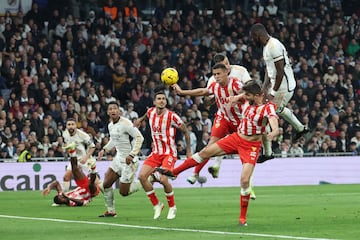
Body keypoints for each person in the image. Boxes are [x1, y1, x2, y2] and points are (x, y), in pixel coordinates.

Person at [157, 80, 279, 226]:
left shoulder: (267, 108)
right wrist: (232, 99)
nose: (244, 96)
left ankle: (242, 218)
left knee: (245, 180)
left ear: (258, 95)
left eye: (247, 94)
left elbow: (273, 122)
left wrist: (274, 132)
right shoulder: (247, 99)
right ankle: (175, 172)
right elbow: (232, 96)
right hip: (236, 138)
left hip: (251, 146)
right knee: (205, 152)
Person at [172, 62, 255, 198]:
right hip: (223, 118)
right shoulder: (215, 86)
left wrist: (237, 98)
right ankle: (193, 173)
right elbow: (203, 91)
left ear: (227, 72)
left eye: (218, 74)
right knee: (209, 147)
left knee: (245, 159)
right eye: (214, 74)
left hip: (241, 123)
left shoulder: (236, 84)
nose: (216, 77)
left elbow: (250, 93)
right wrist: (182, 92)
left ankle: (248, 186)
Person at [250, 23, 309, 163]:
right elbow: (269, 70)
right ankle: (300, 128)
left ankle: (268, 152)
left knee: (264, 116)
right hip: (277, 86)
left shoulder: (274, 46)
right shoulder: (267, 47)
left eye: (253, 38)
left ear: (258, 35)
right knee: (277, 110)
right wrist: (264, 88)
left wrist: (273, 91)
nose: (253, 41)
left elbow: (280, 71)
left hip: (283, 88)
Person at [134, 90, 191, 220]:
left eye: (164, 99)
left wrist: (188, 151)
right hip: (156, 153)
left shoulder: (172, 116)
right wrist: (139, 120)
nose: (161, 101)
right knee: (142, 177)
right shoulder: (150, 112)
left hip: (169, 153)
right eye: (159, 99)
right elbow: (145, 115)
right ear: (154, 102)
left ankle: (172, 207)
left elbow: (186, 131)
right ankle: (157, 204)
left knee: (164, 179)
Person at [97, 101, 144, 217]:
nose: (113, 111)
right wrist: (105, 149)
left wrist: (132, 154)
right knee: (105, 184)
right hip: (118, 159)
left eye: (115, 109)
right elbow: (114, 139)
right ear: (108, 112)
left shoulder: (126, 123)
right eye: (110, 109)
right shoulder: (110, 125)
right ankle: (111, 211)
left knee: (123, 192)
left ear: (119, 111)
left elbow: (139, 137)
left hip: (129, 161)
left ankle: (149, 179)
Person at [62, 118, 96, 191]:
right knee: (66, 177)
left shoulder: (83, 135)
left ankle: (107, 197)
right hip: (74, 160)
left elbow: (92, 147)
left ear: (76, 126)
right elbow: (67, 144)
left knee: (95, 181)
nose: (71, 126)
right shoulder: (65, 134)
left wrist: (86, 158)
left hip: (84, 159)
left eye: (72, 124)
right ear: (66, 126)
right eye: (69, 124)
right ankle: (62, 197)